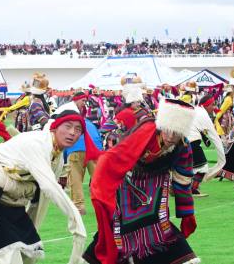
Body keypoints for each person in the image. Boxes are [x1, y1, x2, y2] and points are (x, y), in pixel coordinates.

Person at [0, 108, 88, 263]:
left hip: (8, 203)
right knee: (7, 256)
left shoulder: (57, 157)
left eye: (78, 129)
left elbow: (41, 198)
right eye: (67, 126)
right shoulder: (37, 143)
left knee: (27, 252)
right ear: (55, 127)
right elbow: (50, 188)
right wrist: (76, 223)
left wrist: (30, 229)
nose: (72, 133)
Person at [85, 99, 200, 264]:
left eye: (177, 132)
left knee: (161, 227)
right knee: (119, 229)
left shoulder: (183, 147)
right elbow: (114, 158)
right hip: (126, 182)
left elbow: (183, 181)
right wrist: (101, 189)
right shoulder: (146, 132)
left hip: (156, 188)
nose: (171, 136)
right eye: (168, 130)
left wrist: (187, 214)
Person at [188, 93, 226, 196]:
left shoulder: (196, 110)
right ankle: (193, 189)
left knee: (188, 167)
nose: (214, 107)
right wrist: (222, 155)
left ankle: (181, 187)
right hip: (192, 142)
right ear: (205, 105)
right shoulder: (202, 114)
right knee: (202, 167)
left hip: (186, 141)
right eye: (212, 105)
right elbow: (213, 134)